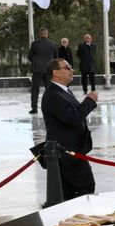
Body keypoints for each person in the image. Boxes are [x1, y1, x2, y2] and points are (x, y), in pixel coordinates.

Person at [42, 58, 98, 200]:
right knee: (85, 188)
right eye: (67, 67)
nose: (72, 70)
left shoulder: (63, 91)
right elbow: (72, 119)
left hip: (72, 152)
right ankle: (79, 219)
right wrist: (89, 101)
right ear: (56, 72)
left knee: (68, 193)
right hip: (68, 154)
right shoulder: (53, 95)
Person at [28, 28, 57, 114]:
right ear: (47, 34)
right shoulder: (53, 44)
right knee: (49, 89)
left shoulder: (35, 44)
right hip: (49, 70)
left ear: (40, 34)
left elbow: (30, 56)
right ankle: (50, 108)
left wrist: (36, 62)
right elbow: (56, 57)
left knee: (35, 89)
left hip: (37, 70)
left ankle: (34, 108)